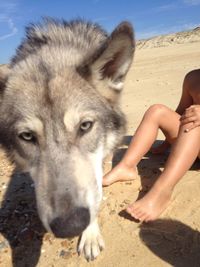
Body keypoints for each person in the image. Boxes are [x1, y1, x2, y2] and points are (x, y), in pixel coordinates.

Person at [103, 69, 200, 222]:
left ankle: (162, 192)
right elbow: (181, 113)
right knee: (157, 110)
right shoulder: (193, 77)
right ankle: (127, 167)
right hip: (192, 142)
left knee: (194, 123)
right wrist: (167, 143)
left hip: (195, 131)